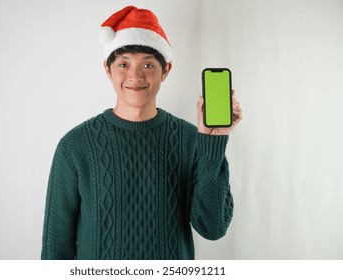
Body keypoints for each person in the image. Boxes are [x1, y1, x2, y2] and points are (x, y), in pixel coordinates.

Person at [41, 5, 242, 260]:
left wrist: (212, 142)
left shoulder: (192, 140)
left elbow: (213, 228)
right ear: (107, 69)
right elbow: (56, 246)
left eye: (147, 65)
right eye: (124, 64)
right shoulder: (75, 146)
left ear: (165, 70)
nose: (135, 76)